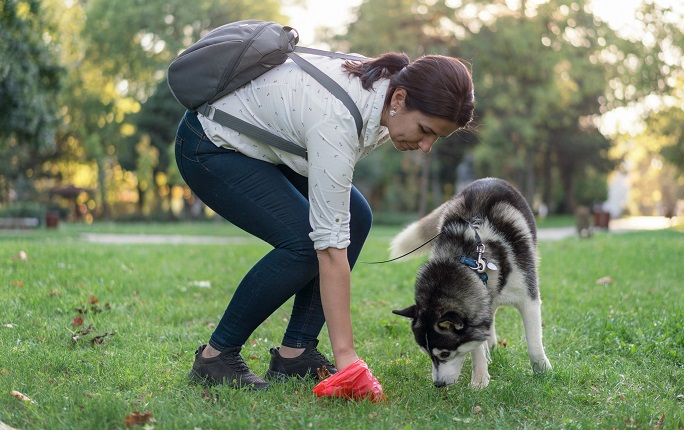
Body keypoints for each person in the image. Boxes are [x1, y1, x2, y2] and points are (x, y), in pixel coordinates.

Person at [174, 50, 475, 391]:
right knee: (304, 244)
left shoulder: (384, 95)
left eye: (436, 137)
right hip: (210, 145)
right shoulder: (339, 119)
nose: (425, 146)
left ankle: (295, 354)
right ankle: (215, 358)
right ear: (401, 99)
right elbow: (330, 249)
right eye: (425, 130)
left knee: (357, 217)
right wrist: (346, 357)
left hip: (265, 147)